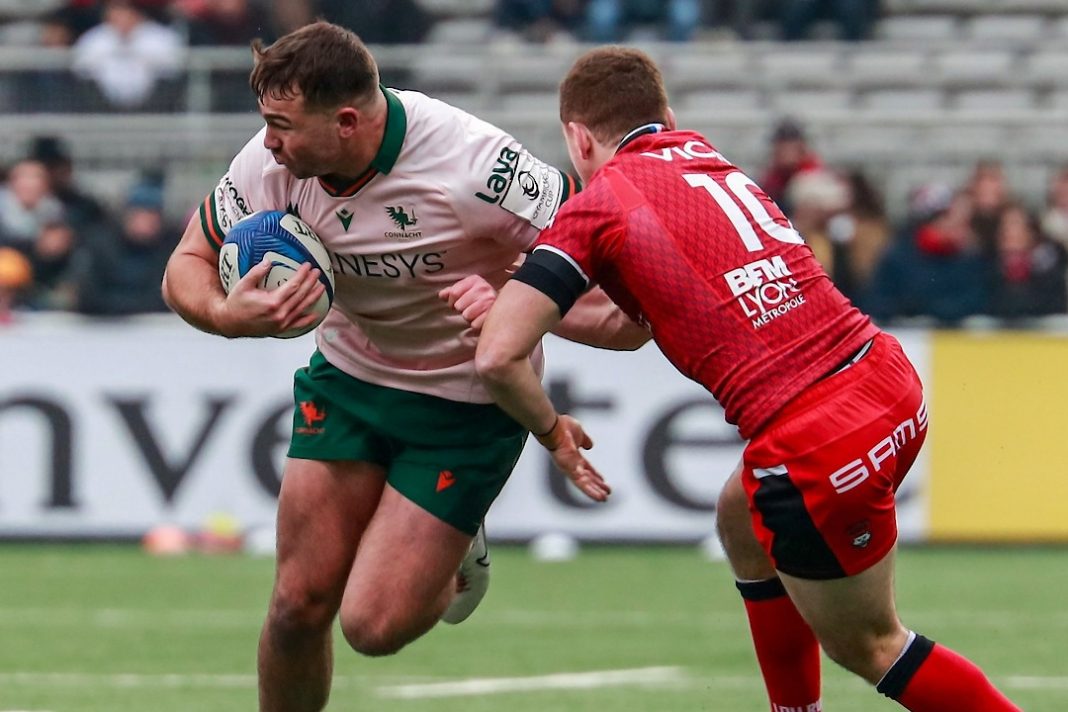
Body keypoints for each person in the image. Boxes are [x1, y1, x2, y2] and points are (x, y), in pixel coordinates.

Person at [470, 46, 1021, 712]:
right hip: (886, 378)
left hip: (817, 442)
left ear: (577, 138)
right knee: (740, 514)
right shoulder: (703, 156)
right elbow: (632, 322)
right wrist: (521, 302)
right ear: (665, 116)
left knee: (873, 646)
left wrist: (550, 426)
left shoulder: (603, 202)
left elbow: (498, 356)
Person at [161, 21, 641, 712]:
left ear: (348, 120)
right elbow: (187, 263)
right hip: (348, 383)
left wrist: (516, 306)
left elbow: (623, 300)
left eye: (282, 125)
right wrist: (223, 316)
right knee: (298, 605)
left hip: (469, 410)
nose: (269, 141)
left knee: (373, 628)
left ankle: (456, 555)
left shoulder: (477, 166)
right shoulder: (269, 166)